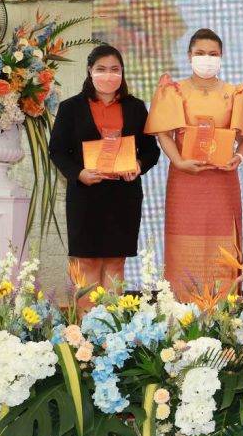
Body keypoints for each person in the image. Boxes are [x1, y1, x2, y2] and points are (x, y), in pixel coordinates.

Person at [144, 28, 243, 300]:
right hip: (185, 179)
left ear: (222, 57)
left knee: (223, 244)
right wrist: (179, 161)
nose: (207, 59)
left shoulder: (235, 93)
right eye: (200, 53)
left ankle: (223, 309)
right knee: (183, 241)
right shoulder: (174, 90)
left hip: (222, 181)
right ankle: (182, 309)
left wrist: (238, 157)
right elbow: (163, 133)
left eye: (213, 54)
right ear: (189, 56)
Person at [49, 44, 160, 306]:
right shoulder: (70, 108)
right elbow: (57, 150)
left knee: (115, 262)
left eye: (114, 69)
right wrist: (79, 173)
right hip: (85, 195)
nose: (108, 75)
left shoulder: (135, 107)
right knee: (86, 262)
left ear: (122, 72)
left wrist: (138, 165)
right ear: (90, 71)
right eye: (101, 69)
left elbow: (151, 151)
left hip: (123, 196)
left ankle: (112, 325)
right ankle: (86, 327)